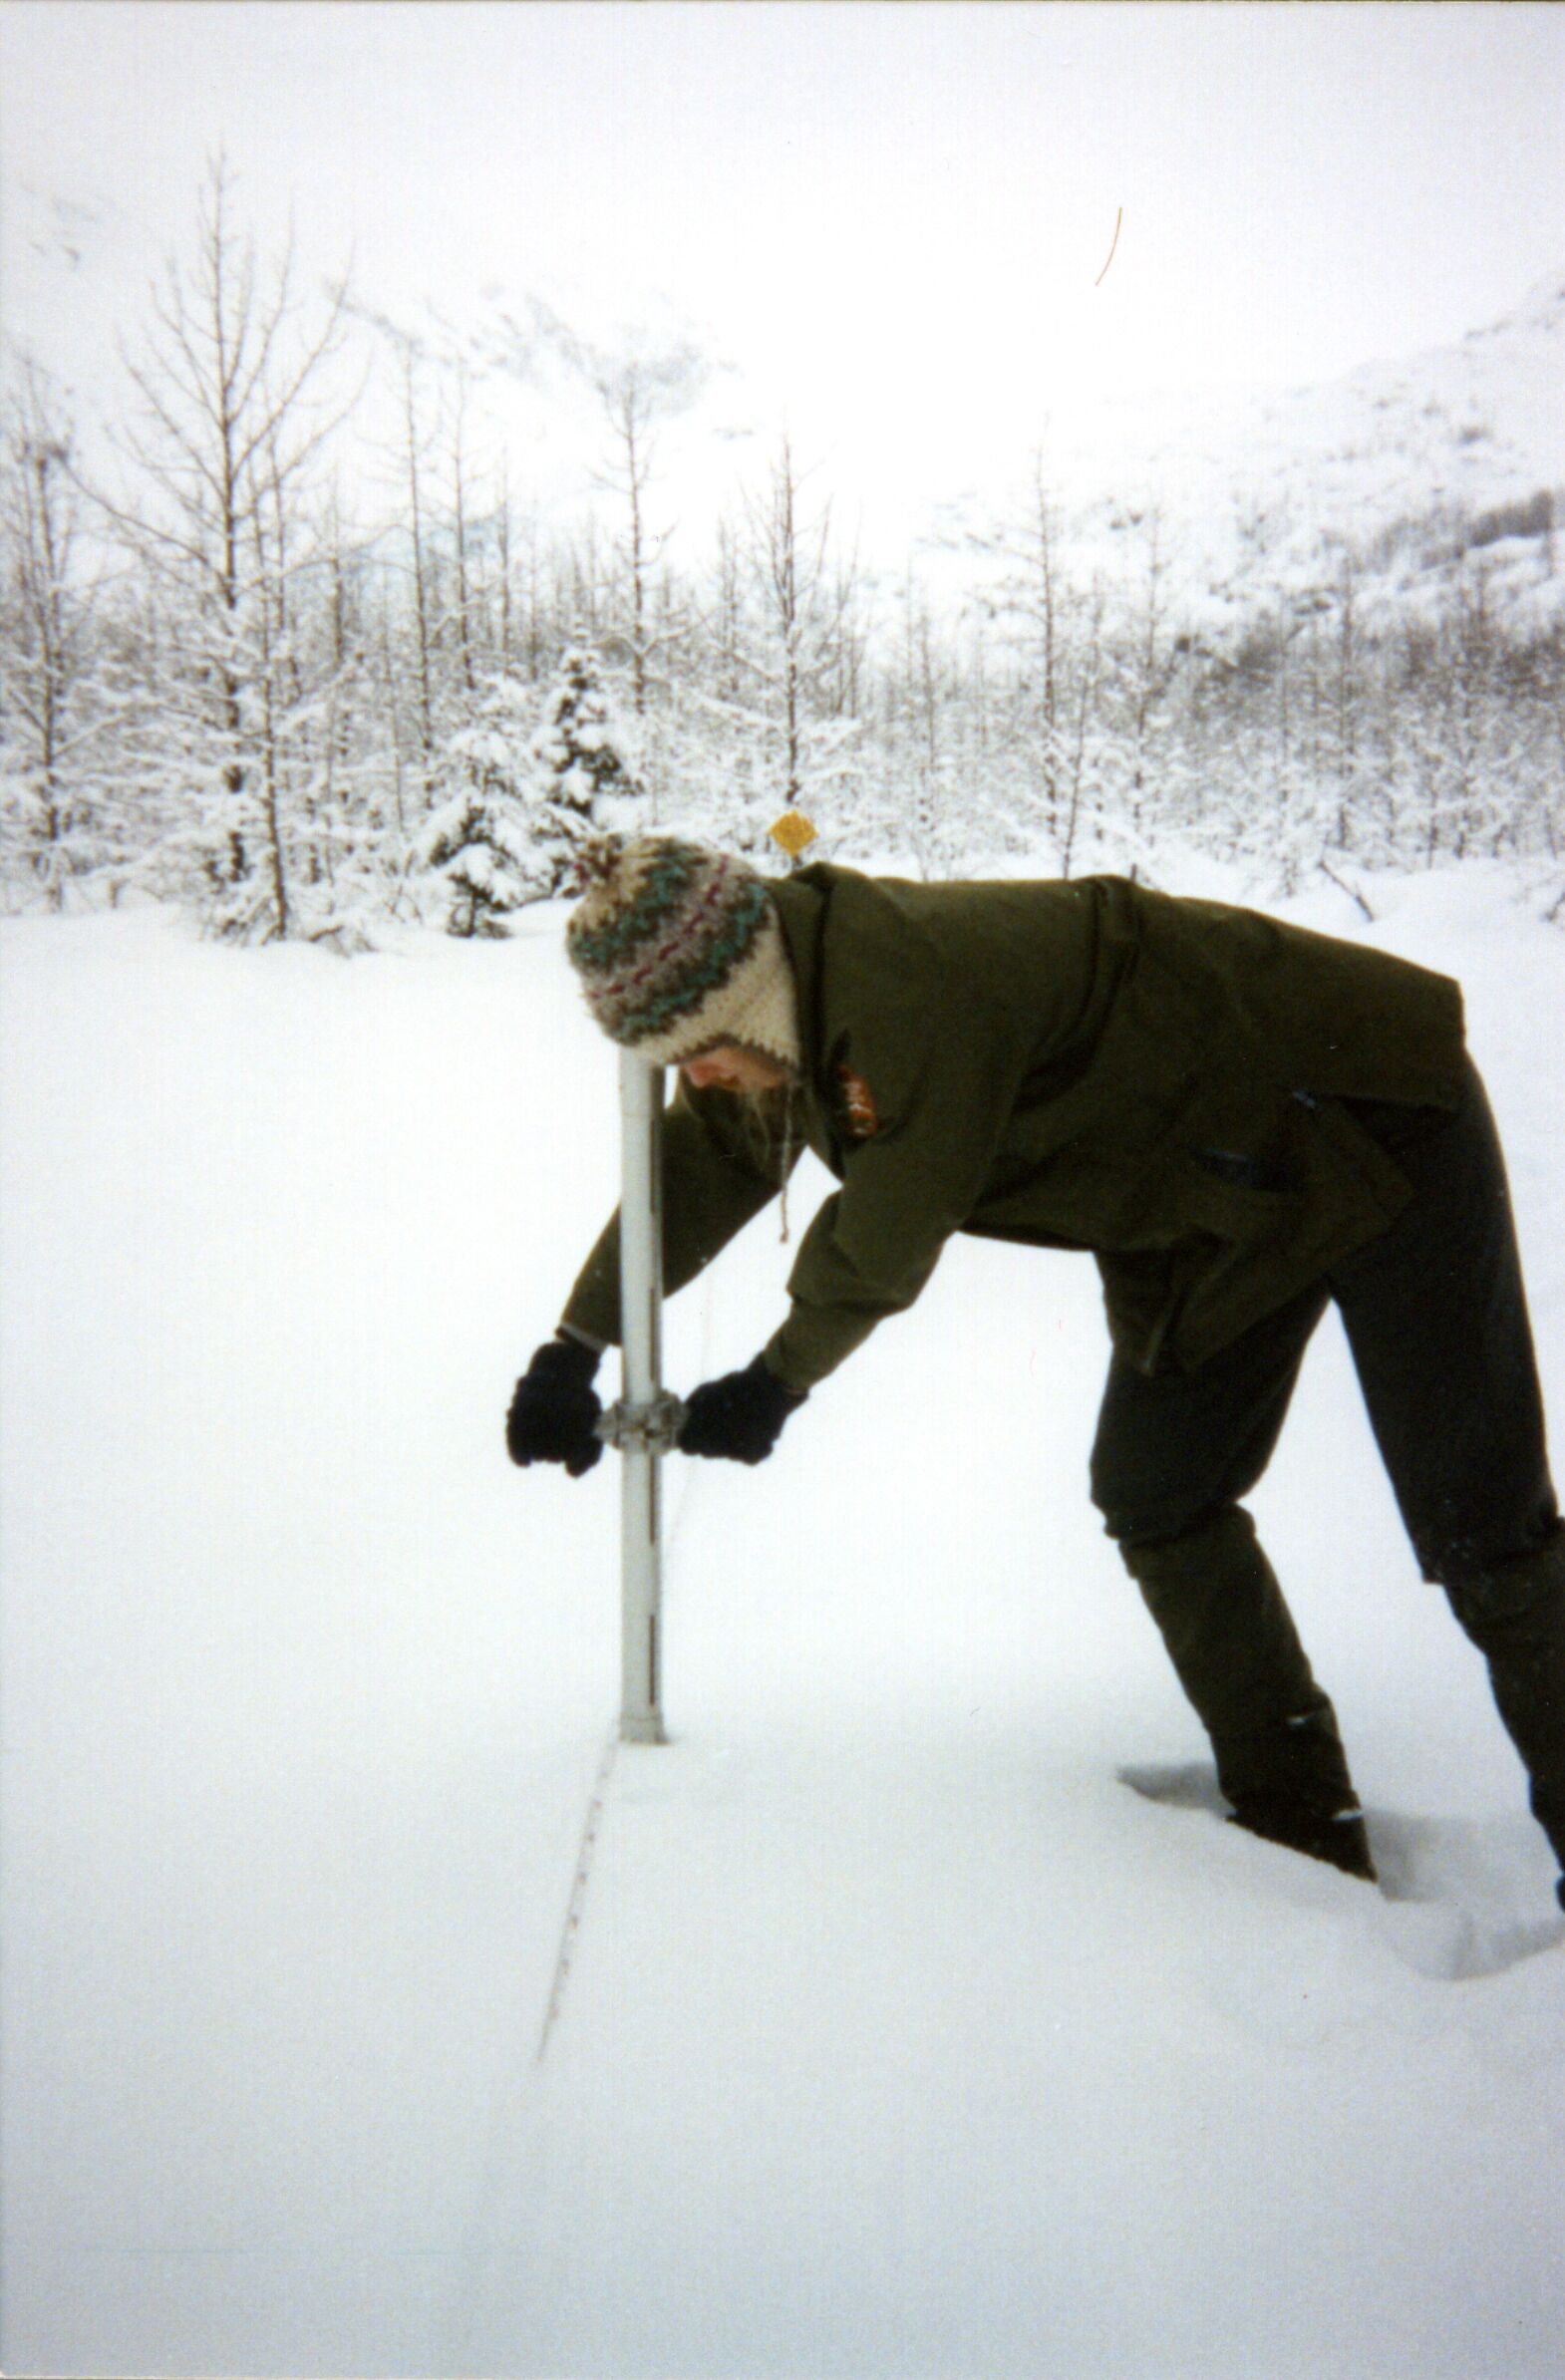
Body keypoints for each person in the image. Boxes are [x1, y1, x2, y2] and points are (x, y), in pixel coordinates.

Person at [507, 833, 1565, 1907]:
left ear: (740, 1000)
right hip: (1214, 1193)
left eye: (697, 1051)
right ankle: (1299, 1823)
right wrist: (576, 1342)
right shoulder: (790, 997)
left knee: (1486, 1532)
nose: (695, 1077)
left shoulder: (905, 992)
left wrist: (773, 1383)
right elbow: (704, 1161)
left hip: (1377, 1111)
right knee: (1158, 1491)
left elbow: (887, 1230)